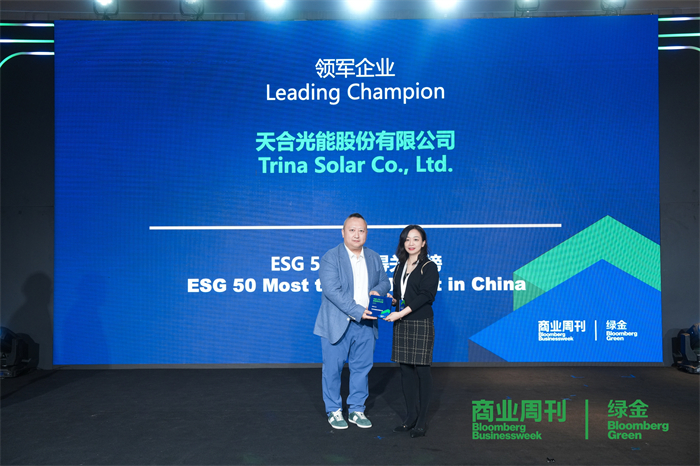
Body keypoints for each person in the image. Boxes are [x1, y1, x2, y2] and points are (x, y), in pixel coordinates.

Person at [313, 213, 391, 430]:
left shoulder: (373, 257)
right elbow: (332, 291)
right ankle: (334, 410)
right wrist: (358, 311)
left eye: (361, 230)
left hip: (366, 325)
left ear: (366, 233)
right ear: (343, 232)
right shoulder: (331, 257)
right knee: (332, 370)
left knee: (361, 369)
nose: (357, 235)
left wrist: (378, 290)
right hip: (336, 323)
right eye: (352, 230)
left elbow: (385, 282)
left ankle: (357, 409)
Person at [384, 225, 439, 438]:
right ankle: (410, 417)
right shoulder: (399, 266)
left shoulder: (429, 266)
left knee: (422, 371)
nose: (411, 243)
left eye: (416, 239)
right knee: (406, 371)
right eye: (407, 239)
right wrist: (391, 301)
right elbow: (400, 295)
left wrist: (400, 312)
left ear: (423, 243)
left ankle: (422, 421)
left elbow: (426, 296)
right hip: (402, 322)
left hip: (420, 322)